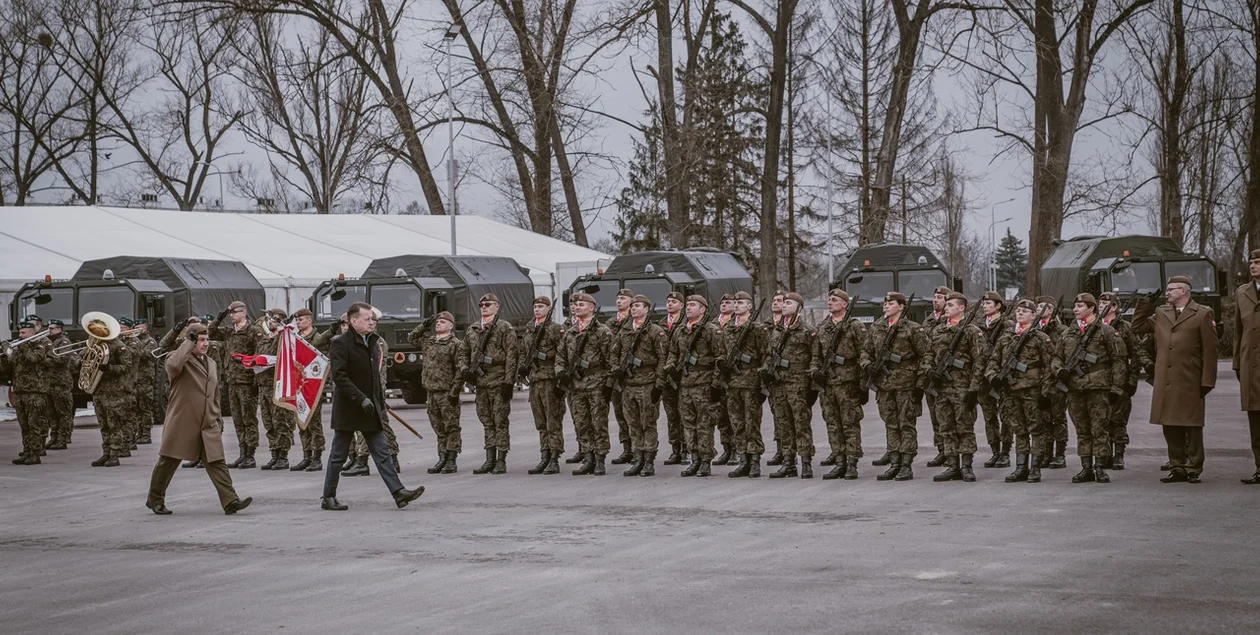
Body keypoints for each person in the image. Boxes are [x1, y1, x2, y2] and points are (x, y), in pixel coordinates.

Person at [321, 302, 424, 511]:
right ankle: (328, 497)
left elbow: (374, 376)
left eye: (373, 319)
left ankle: (398, 492)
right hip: (350, 408)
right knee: (338, 455)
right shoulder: (340, 343)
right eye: (367, 319)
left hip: (370, 407)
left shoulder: (373, 342)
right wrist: (360, 398)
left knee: (382, 452)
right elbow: (339, 377)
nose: (372, 322)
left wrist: (378, 400)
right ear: (353, 321)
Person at [145, 323, 252, 515]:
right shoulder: (178, 359)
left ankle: (230, 501)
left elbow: (214, 394)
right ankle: (155, 498)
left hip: (207, 422)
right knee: (168, 462)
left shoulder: (211, 363)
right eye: (200, 340)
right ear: (190, 340)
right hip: (183, 422)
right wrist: (188, 342)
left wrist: (217, 419)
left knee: (217, 461)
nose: (204, 344)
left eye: (206, 340)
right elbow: (172, 366)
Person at [1133, 276, 1217, 483]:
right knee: (1169, 423)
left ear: (1184, 291)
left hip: (1190, 377)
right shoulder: (1161, 313)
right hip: (1166, 378)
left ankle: (1193, 467)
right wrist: (1145, 304)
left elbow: (1211, 350)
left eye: (1171, 289)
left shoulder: (1202, 313)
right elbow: (1137, 327)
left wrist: (1207, 380)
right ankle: (1177, 466)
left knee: (1192, 424)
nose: (1167, 293)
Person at [1053, 293, 1127, 484]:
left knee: (1099, 428)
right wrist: (1059, 371)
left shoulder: (1106, 331)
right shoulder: (1067, 333)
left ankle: (1100, 467)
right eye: (1075, 306)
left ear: (1092, 308)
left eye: (1080, 306)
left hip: (1098, 387)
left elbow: (1119, 361)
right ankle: (1086, 467)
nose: (1076, 309)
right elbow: (1056, 358)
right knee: (1082, 430)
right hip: (1075, 389)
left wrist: (1116, 388)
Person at [985, 299, 1056, 483]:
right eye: (1018, 310)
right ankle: (1021, 467)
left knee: (1036, 430)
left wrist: (1046, 392)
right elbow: (993, 361)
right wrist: (994, 377)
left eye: (1025, 311)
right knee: (1019, 430)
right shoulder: (1006, 336)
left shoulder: (1040, 338)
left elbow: (1051, 366)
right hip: (1011, 391)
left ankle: (1035, 468)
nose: (1021, 313)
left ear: (1034, 315)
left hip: (1032, 391)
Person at [862, 292, 930, 481]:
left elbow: (926, 356)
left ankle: (906, 465)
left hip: (906, 384)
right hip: (884, 385)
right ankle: (894, 463)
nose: (886, 305)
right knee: (891, 424)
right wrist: (867, 366)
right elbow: (865, 351)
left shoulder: (912, 329)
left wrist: (920, 384)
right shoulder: (876, 327)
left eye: (891, 303)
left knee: (906, 423)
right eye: (885, 302)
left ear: (901, 306)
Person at [925, 292, 985, 482]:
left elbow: (980, 360)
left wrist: (974, 389)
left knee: (965, 427)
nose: (946, 307)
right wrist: (929, 371)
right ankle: (952, 465)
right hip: (942, 388)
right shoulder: (938, 331)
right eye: (946, 304)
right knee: (946, 427)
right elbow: (927, 355)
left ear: (961, 308)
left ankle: (966, 466)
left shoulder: (971, 331)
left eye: (951, 305)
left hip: (962, 387)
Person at [810, 289, 867, 480]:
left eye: (834, 300)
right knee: (833, 424)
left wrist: (862, 385)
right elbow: (815, 356)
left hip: (847, 383)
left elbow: (864, 355)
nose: (830, 302)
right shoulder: (823, 327)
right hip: (828, 384)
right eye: (829, 300)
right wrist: (815, 373)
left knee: (850, 423)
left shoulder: (855, 326)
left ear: (845, 304)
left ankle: (852, 462)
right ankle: (839, 461)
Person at [610, 295, 669, 476]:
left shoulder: (655, 331)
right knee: (633, 424)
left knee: (648, 424)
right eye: (633, 306)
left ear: (646, 309)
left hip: (647, 383)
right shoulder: (625, 330)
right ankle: (637, 458)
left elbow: (662, 359)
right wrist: (616, 369)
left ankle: (649, 460)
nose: (634, 308)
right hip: (628, 384)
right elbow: (614, 353)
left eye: (638, 306)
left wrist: (659, 384)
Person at [557, 292, 614, 475]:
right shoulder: (570, 333)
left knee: (598, 423)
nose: (578, 306)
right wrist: (561, 373)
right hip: (576, 386)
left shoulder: (602, 331)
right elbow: (560, 357)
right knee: (582, 423)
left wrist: (608, 384)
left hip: (596, 384)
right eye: (576, 304)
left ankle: (600, 459)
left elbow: (611, 360)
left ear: (592, 308)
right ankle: (587, 457)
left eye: (582, 304)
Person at [666, 295, 724, 477]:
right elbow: (672, 353)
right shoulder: (680, 331)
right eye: (688, 305)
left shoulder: (711, 331)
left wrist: (715, 384)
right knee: (688, 425)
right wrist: (671, 369)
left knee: (704, 425)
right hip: (685, 384)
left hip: (704, 385)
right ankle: (694, 458)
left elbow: (720, 358)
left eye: (693, 305)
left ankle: (706, 460)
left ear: (703, 309)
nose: (688, 308)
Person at [463, 293, 519, 475]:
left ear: (497, 307)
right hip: (481, 384)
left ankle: (501, 460)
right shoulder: (472, 329)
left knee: (500, 421)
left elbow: (512, 355)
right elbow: (463, 352)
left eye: (488, 304)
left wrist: (509, 382)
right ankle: (489, 459)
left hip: (498, 381)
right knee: (486, 421)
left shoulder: (504, 328)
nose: (484, 307)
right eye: (481, 305)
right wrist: (465, 370)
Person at [762, 292, 814, 478]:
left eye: (789, 302)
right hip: (779, 383)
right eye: (783, 302)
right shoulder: (777, 330)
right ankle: (788, 462)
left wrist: (812, 384)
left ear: (799, 307)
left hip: (798, 382)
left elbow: (814, 356)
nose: (783, 305)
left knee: (801, 423)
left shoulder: (806, 330)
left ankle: (806, 462)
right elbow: (769, 354)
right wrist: (766, 371)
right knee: (783, 423)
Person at [209, 301, 266, 468]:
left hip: (246, 381)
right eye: (230, 313)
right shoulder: (229, 332)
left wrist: (256, 381)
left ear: (244, 313)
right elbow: (211, 332)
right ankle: (242, 452)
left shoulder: (253, 331)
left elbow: (259, 357)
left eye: (234, 313)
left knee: (248, 418)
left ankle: (250, 454)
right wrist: (220, 316)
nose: (232, 315)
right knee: (237, 419)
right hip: (232, 381)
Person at [410, 311, 466, 475]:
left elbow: (460, 370)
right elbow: (412, 338)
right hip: (431, 391)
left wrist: (455, 391)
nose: (439, 323)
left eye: (443, 321)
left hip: (447, 392)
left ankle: (451, 459)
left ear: (451, 325)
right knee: (438, 427)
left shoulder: (455, 344)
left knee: (451, 427)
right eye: (437, 322)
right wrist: (424, 325)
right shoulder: (429, 342)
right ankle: (441, 457)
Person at [1099, 291, 1147, 469]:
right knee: (1101, 420)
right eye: (1100, 303)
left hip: (1120, 381)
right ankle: (1104, 454)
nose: (1101, 306)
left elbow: (1136, 354)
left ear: (1115, 307)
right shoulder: (1095, 326)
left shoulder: (1125, 327)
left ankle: (1118, 454)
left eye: (1106, 303)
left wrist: (1132, 380)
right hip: (1100, 381)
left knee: (1118, 420)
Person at [723, 291, 768, 478]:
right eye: (735, 302)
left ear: (750, 306)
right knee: (737, 423)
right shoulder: (728, 328)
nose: (737, 305)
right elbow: (722, 352)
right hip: (733, 383)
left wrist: (763, 384)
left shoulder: (757, 328)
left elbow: (766, 355)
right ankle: (743, 459)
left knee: (752, 423)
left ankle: (755, 460)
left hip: (751, 382)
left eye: (741, 302)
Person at [517, 297, 565, 475]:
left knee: (553, 421)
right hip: (535, 380)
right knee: (541, 422)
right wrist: (522, 367)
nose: (537, 309)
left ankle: (554, 457)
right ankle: (544, 455)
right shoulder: (530, 329)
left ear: (548, 309)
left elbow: (563, 352)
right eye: (535, 306)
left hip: (550, 379)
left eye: (541, 307)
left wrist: (544, 356)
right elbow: (523, 351)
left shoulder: (555, 329)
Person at [3, 321, 54, 465]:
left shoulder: (39, 345)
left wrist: (24, 345)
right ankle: (27, 451)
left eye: (23, 333)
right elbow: (12, 361)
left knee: (34, 425)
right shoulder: (20, 347)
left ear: (32, 333)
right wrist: (7, 351)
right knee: (24, 425)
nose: (20, 335)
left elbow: (34, 358)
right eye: (20, 333)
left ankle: (35, 453)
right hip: (20, 390)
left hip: (35, 391)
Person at [977, 292, 1013, 469]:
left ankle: (1005, 452)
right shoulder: (978, 325)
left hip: (1002, 377)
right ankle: (995, 452)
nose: (985, 306)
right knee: (989, 417)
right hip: (983, 377)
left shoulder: (1008, 325)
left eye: (989, 303)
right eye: (984, 303)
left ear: (998, 306)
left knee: (1006, 416)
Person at [255, 309, 294, 471]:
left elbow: (273, 354)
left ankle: (283, 456)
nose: (271, 321)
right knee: (268, 421)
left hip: (276, 385)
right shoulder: (266, 337)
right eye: (270, 319)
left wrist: (281, 330)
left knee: (280, 421)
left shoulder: (283, 337)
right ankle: (274, 453)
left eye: (275, 319)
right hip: (263, 385)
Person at [288, 308, 326, 472]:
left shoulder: (317, 339)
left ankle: (317, 457)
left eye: (301, 320)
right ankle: (306, 455)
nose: (298, 322)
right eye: (297, 320)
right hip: (299, 387)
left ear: (310, 320)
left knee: (314, 423)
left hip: (313, 387)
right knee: (302, 422)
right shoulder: (296, 339)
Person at [90, 328, 134, 467]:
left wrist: (108, 368)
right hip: (99, 390)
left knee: (114, 424)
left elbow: (126, 366)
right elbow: (83, 359)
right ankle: (106, 452)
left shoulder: (119, 345)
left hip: (114, 391)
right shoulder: (95, 345)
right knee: (104, 425)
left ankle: (115, 454)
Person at [1035, 296, 1070, 469]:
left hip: (1055, 382)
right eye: (1038, 306)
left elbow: (1063, 356)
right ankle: (1047, 454)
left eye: (1043, 306)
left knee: (1058, 418)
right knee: (1043, 419)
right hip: (1038, 381)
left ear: (1052, 310)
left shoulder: (1062, 330)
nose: (1039, 309)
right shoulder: (1033, 329)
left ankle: (1060, 454)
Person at [657, 291, 688, 466]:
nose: (670, 304)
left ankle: (686, 449)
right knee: (671, 415)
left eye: (674, 301)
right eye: (668, 301)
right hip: (667, 376)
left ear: (681, 305)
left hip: (682, 376)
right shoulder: (660, 325)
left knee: (684, 414)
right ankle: (675, 448)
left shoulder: (686, 324)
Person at [1237, 250, 1260, 485]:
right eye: (1252, 262)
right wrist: (1237, 363)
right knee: (1255, 420)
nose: (1253, 266)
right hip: (1250, 367)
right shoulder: (1242, 293)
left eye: (1258, 262)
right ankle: (1259, 467)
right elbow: (1238, 332)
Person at [921, 286, 951, 468]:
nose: (935, 300)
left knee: (948, 418)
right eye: (934, 297)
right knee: (935, 416)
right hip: (931, 376)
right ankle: (941, 450)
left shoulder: (952, 322)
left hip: (947, 378)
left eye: (940, 297)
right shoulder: (929, 320)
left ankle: (951, 451)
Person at [606, 289, 635, 465]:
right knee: (620, 414)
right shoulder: (611, 322)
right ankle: (627, 448)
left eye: (623, 298)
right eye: (617, 298)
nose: (619, 301)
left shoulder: (635, 322)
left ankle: (638, 449)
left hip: (632, 376)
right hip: (615, 374)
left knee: (633, 414)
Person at [711, 293, 738, 465]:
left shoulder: (738, 324)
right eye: (722, 302)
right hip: (715, 375)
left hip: (733, 375)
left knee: (733, 415)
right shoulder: (712, 324)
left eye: (728, 302)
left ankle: (736, 449)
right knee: (720, 415)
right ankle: (726, 449)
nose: (724, 305)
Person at [764, 290, 788, 466]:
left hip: (789, 378)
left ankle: (789, 451)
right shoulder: (764, 326)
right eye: (774, 300)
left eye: (780, 300)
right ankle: (780, 449)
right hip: (771, 377)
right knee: (777, 415)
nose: (776, 303)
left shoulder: (790, 325)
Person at [44, 318, 76, 450]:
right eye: (49, 328)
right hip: (50, 382)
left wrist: (43, 359)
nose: (49, 330)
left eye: (52, 328)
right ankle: (54, 437)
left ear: (60, 329)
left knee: (63, 412)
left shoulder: (64, 342)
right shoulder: (49, 342)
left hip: (61, 382)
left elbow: (61, 360)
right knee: (52, 413)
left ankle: (63, 438)